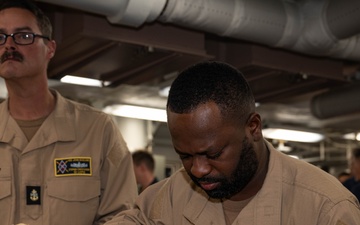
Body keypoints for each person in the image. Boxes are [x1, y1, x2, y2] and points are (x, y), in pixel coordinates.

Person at [106, 61, 360, 225]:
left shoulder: (326, 209)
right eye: (185, 156)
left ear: (253, 127)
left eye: (213, 153)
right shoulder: (173, 194)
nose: (198, 169)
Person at [0, 0, 137, 224]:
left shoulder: (97, 131)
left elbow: (122, 217)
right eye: (0, 37)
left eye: (24, 36)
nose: (9, 46)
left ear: (50, 49)